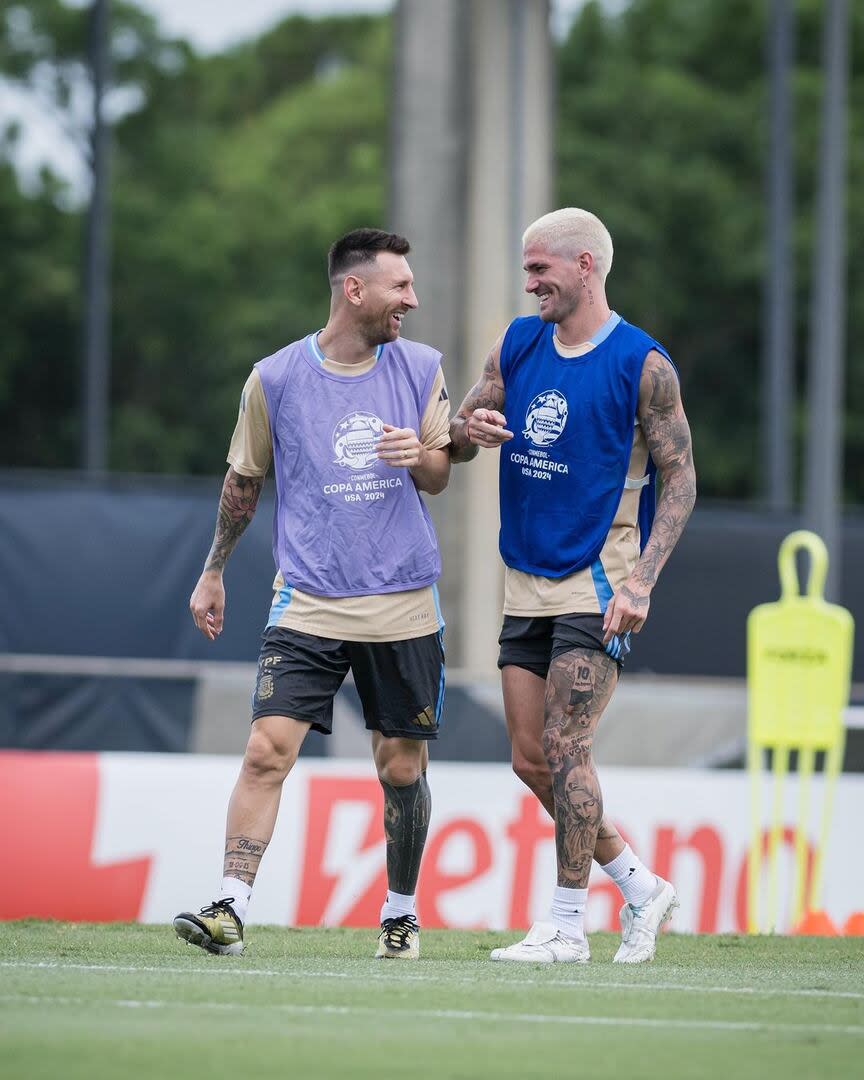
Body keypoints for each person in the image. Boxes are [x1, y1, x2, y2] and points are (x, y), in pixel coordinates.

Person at [174, 228, 451, 961]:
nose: (412, 300)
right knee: (267, 750)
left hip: (402, 600)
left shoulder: (422, 366)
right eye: (400, 286)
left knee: (400, 769)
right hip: (306, 598)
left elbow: (440, 473)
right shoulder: (274, 378)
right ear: (354, 290)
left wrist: (417, 454)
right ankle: (231, 906)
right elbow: (243, 483)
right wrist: (213, 570)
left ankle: (399, 911)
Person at [448, 207, 696, 964]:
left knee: (565, 742)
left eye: (539, 270)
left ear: (585, 266)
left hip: (601, 581)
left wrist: (644, 583)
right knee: (529, 757)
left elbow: (681, 478)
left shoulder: (642, 364)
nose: (530, 285)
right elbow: (460, 433)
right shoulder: (518, 343)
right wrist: (470, 432)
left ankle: (563, 926)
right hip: (523, 578)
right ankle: (640, 885)